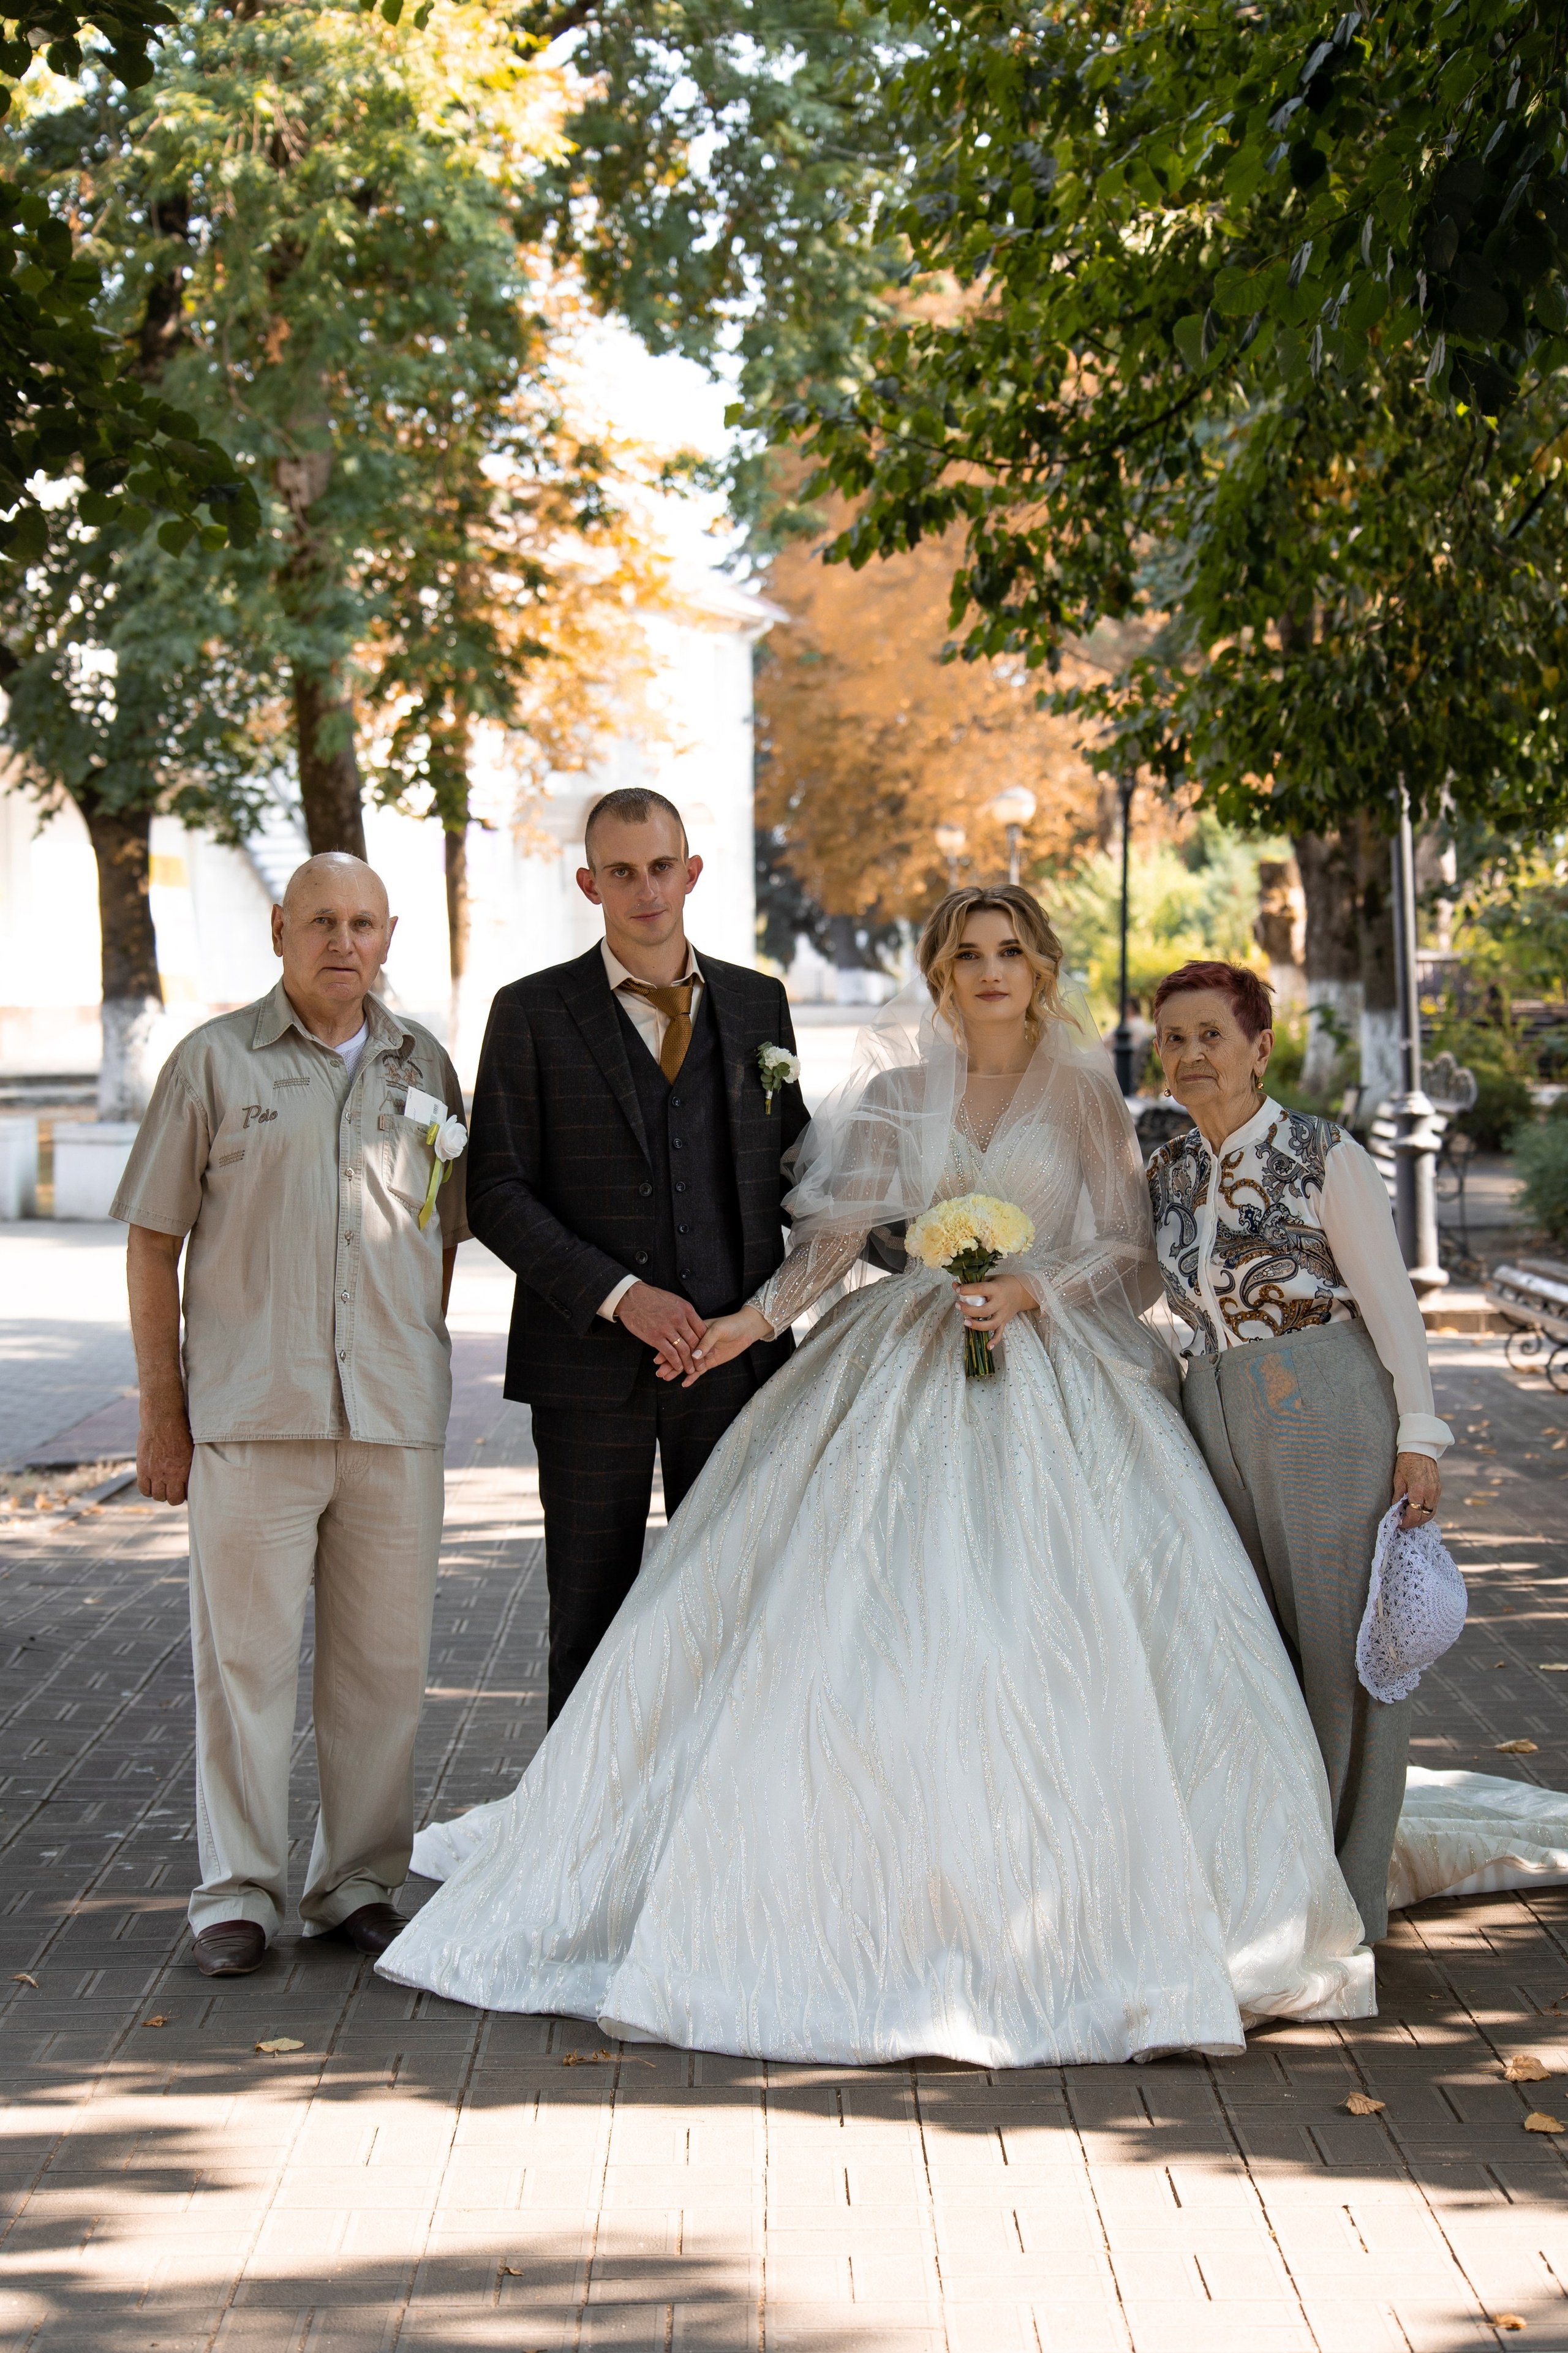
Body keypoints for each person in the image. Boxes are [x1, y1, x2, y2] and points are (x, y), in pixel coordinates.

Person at [377, 886, 1374, 2065]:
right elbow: (835, 1243)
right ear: (942, 973)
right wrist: (748, 1326)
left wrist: (1031, 1288)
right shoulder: (899, 1093)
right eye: (969, 954)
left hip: (1056, 1365)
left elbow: (1130, 1251)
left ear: (1039, 968)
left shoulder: (1085, 1093)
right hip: (905, 1352)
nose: (991, 971)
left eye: (1011, 952)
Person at [113, 853, 468, 1977]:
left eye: (363, 922)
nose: (342, 941)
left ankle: (358, 1881)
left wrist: (410, 1351)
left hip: (392, 1421)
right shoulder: (213, 1061)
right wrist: (163, 1413)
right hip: (252, 1416)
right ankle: (238, 1894)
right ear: (280, 929)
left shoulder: (426, 1066)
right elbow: (153, 1243)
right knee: (245, 1670)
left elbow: (441, 1235)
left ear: (389, 934)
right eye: (321, 920)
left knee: (384, 1670)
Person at [463, 786, 808, 1724]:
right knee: (589, 1614)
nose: (645, 889)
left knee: (734, 1608)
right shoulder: (530, 1011)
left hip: (732, 1366)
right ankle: (576, 1815)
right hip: (586, 1372)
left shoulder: (759, 1001)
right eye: (621, 872)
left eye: (661, 867)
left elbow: (797, 1167)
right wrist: (622, 1295)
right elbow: (494, 1191)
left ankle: (713, 1805)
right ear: (590, 884)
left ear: (691, 872)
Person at [1144, 959, 1452, 1945]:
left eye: (1212, 1035)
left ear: (1260, 1047)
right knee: (1262, 1652)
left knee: (1345, 1652)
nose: (1192, 1054)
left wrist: (1420, 1435)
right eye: (1175, 1038)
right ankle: (1285, 1867)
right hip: (1214, 1413)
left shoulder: (1324, 1153)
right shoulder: (1167, 1169)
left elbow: (1392, 1302)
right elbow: (1135, 1289)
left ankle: (1350, 1894)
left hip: (1325, 1406)